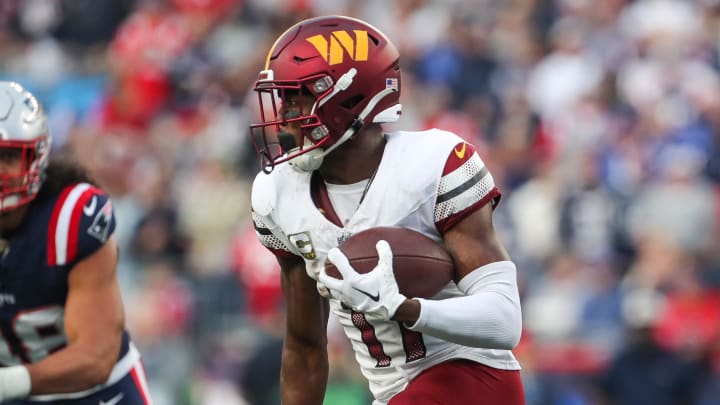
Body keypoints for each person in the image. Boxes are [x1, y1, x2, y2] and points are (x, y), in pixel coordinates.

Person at [249, 15, 525, 405]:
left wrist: (403, 308)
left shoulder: (433, 164)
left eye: (297, 97)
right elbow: (305, 346)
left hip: (472, 377)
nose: (284, 115)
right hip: (393, 392)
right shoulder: (277, 193)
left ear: (347, 97)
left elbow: (504, 321)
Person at [0, 81, 152, 404]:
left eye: (8, 156)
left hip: (98, 393)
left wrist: (6, 384)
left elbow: (96, 357)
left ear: (36, 159)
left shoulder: (69, 218)